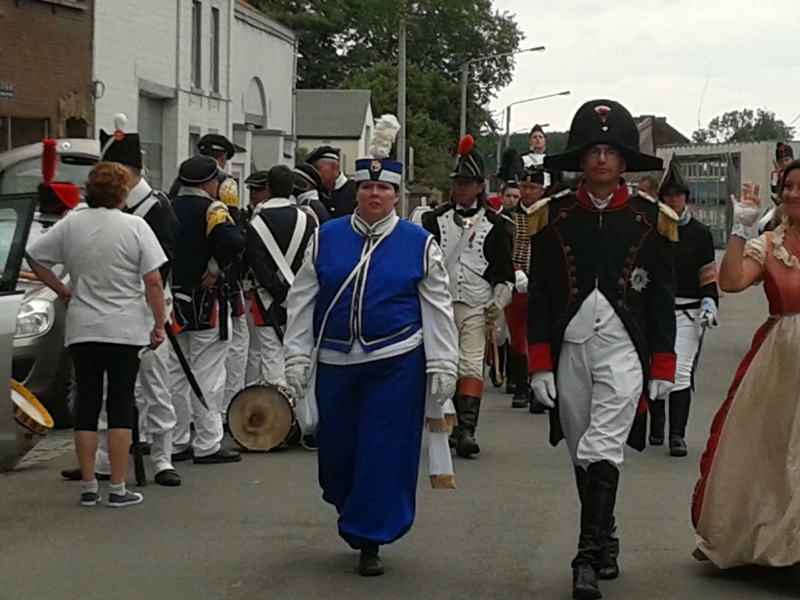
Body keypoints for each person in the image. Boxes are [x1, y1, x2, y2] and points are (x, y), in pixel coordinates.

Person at [282, 115, 458, 576]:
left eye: (383, 190)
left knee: (383, 452)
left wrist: (442, 362)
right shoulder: (326, 237)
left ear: (397, 195)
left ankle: (372, 539)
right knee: (338, 454)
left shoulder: (419, 243)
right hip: (336, 363)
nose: (374, 195)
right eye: (366, 188)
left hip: (395, 362)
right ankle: (353, 509)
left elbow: (437, 307)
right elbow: (301, 301)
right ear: (357, 191)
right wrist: (297, 356)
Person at [527, 99, 676, 599]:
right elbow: (543, 297)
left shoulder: (649, 219)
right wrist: (539, 362)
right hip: (571, 349)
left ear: (625, 160)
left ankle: (586, 559)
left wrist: (662, 364)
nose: (602, 160)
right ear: (580, 158)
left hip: (623, 350)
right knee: (580, 448)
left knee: (603, 445)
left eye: (611, 151)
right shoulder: (552, 218)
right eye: (593, 150)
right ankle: (605, 536)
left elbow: (660, 297)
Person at [27, 161, 168, 507]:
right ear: (123, 192)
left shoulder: (70, 224)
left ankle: (88, 484)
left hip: (84, 325)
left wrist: (62, 289)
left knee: (88, 403)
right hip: (125, 328)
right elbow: (152, 281)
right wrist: (159, 323)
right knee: (121, 403)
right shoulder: (135, 226)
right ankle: (118, 486)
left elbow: (35, 257)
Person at [692, 164, 800, 569]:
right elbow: (732, 281)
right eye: (786, 187)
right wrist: (740, 230)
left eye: (799, 188)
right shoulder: (772, 245)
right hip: (783, 362)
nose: (791, 194)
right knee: (774, 455)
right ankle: (777, 544)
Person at [423, 134, 515, 458]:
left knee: (471, 365)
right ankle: (445, 422)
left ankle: (467, 431)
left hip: (477, 304)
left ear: (479, 186)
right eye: (458, 182)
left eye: (467, 182)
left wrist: (498, 301)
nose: (461, 188)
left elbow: (505, 274)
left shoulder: (497, 225)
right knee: (442, 366)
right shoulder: (432, 221)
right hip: (441, 304)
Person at [170, 155, 246, 464]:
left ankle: (176, 440)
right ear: (207, 183)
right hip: (206, 301)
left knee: (175, 374)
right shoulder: (214, 209)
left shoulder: (166, 207)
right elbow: (234, 241)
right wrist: (214, 267)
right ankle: (208, 442)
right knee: (208, 373)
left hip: (173, 300)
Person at [648, 158, 718, 457]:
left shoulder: (701, 234)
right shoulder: (652, 230)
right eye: (668, 195)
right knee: (655, 367)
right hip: (656, 309)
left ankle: (677, 434)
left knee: (681, 371)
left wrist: (709, 301)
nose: (673, 200)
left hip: (688, 311)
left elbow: (707, 272)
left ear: (685, 198)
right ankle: (657, 424)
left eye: (678, 195)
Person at [244, 165, 316, 384]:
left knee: (271, 359)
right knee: (301, 356)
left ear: (268, 187)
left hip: (267, 299)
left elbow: (257, 265)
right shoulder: (309, 221)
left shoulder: (255, 223)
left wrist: (279, 295)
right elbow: (312, 260)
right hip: (302, 297)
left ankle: (278, 414)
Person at [503, 166, 546, 410]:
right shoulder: (508, 217)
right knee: (517, 336)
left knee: (539, 335)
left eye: (533, 187)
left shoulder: (550, 215)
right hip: (518, 282)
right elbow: (502, 250)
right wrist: (515, 269)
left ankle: (537, 388)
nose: (527, 192)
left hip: (543, 283)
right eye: (524, 187)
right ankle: (521, 386)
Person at [305, 145, 356, 218]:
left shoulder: (354, 191)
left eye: (317, 168)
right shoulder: (315, 192)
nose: (314, 173)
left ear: (333, 167)